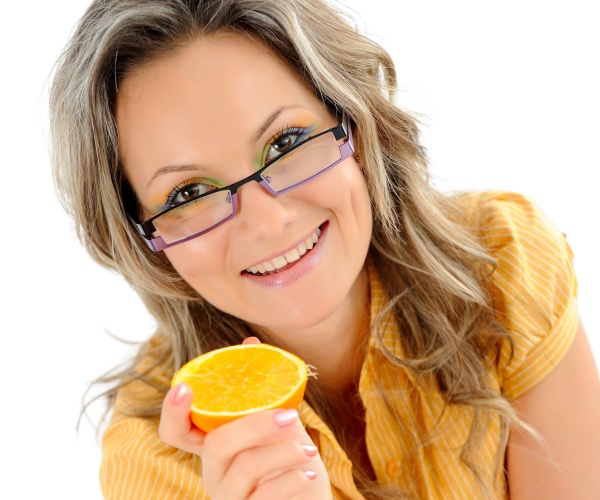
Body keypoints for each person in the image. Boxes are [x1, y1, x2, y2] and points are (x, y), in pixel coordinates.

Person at [49, 0, 600, 498]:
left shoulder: (504, 263)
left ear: (355, 124)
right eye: (189, 193)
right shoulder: (154, 461)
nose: (268, 222)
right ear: (147, 241)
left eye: (285, 142)